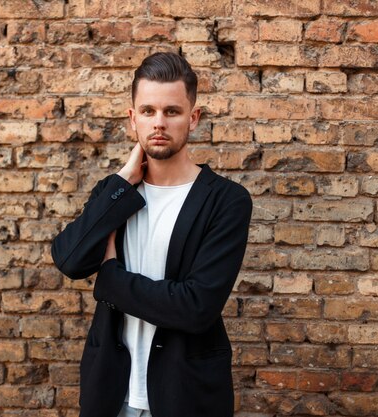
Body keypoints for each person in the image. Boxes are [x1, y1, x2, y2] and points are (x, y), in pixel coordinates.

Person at [51, 52, 253, 417]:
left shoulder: (226, 201)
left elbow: (195, 308)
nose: (159, 123)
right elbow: (69, 260)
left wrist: (111, 279)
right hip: (112, 394)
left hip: (185, 395)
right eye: (148, 111)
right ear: (133, 120)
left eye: (172, 111)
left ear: (193, 119)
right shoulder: (114, 194)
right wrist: (121, 183)